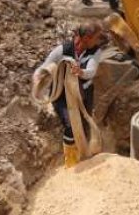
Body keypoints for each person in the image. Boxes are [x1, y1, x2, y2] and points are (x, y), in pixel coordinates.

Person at [33, 23, 110, 166]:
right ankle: (72, 162)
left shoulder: (95, 51)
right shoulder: (62, 50)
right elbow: (45, 66)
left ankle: (85, 152)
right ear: (86, 38)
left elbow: (91, 72)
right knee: (71, 126)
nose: (98, 41)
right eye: (96, 38)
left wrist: (81, 72)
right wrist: (39, 77)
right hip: (63, 95)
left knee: (85, 122)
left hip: (84, 92)